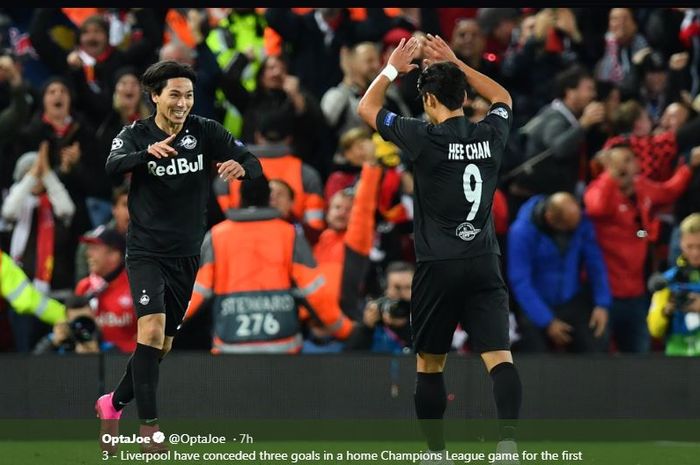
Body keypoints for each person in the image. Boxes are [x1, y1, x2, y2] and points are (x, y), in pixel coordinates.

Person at [357, 34, 521, 460]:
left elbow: (367, 109)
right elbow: (501, 95)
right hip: (484, 261)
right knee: (499, 357)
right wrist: (457, 63)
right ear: (465, 97)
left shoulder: (423, 137)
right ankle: (508, 442)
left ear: (429, 101)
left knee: (429, 364)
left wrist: (393, 67)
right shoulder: (491, 131)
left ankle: (436, 452)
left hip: (438, 265)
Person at [96, 60, 262, 455]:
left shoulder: (205, 131)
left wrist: (242, 166)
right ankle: (150, 430)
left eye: (188, 95)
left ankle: (112, 403)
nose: (183, 102)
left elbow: (254, 163)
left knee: (161, 347)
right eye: (174, 94)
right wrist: (144, 155)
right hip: (146, 251)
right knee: (151, 331)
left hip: (187, 254)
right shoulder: (135, 134)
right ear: (155, 96)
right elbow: (111, 166)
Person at [184, 174, 353, 353]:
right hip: (283, 348)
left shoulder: (217, 235)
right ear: (268, 198)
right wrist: (347, 330)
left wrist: (161, 325)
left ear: (239, 197)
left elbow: (196, 292)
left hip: (231, 347)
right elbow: (314, 292)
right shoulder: (290, 234)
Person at [507, 192, 611, 353]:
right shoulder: (521, 232)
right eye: (569, 227)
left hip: (571, 298)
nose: (575, 229)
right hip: (537, 303)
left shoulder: (581, 221)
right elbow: (520, 281)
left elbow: (595, 263)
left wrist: (602, 303)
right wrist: (547, 321)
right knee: (534, 350)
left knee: (596, 337)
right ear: (550, 219)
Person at [76, 226, 136, 353]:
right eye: (89, 248)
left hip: (127, 364)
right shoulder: (84, 287)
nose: (88, 254)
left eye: (95, 248)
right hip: (90, 365)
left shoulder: (135, 286)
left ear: (114, 255)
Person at [648, 213, 700, 356]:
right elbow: (654, 329)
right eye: (690, 246)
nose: (695, 253)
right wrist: (666, 311)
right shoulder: (668, 280)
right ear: (681, 243)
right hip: (678, 358)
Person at [344, 261, 414, 353]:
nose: (402, 293)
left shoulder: (424, 313)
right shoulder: (375, 312)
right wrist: (366, 326)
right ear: (386, 288)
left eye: (408, 287)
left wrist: (404, 327)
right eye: (397, 288)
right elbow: (350, 358)